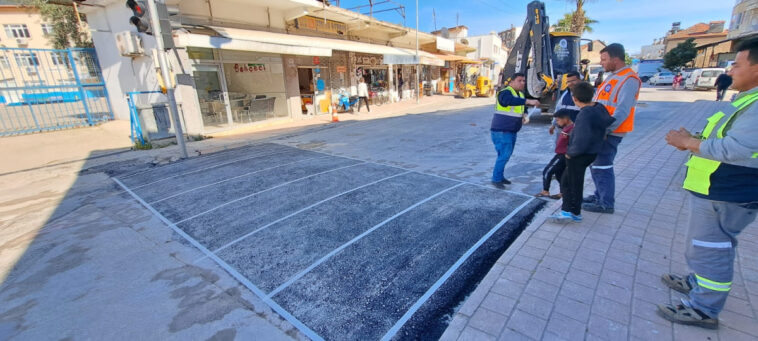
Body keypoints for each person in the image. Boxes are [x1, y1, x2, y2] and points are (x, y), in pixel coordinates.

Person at [658, 39, 758, 330]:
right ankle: (697, 282)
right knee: (708, 245)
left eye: (737, 64)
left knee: (710, 248)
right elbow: (727, 140)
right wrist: (695, 139)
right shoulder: (747, 101)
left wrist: (689, 142)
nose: (731, 70)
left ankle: (704, 309)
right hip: (720, 188)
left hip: (728, 189)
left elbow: (735, 149)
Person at [583, 43, 642, 214]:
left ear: (615, 60)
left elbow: (621, 111)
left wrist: (605, 130)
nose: (601, 63)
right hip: (602, 130)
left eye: (604, 59)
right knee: (596, 165)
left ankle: (606, 203)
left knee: (603, 166)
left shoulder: (629, 79)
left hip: (609, 132)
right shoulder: (615, 76)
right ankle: (599, 195)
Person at [549, 82, 615, 223]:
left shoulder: (584, 114)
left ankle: (568, 212)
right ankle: (575, 211)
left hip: (579, 155)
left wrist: (570, 153)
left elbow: (581, 137)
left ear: (575, 98)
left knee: (569, 184)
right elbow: (608, 122)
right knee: (573, 182)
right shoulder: (599, 108)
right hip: (592, 152)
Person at [490, 73, 541, 188]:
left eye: (524, 81)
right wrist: (528, 101)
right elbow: (507, 101)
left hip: (511, 130)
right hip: (502, 130)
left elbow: (523, 107)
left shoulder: (520, 94)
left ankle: (499, 176)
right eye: (520, 80)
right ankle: (496, 179)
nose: (522, 83)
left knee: (504, 155)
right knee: (504, 155)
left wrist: (525, 114)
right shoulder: (505, 92)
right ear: (511, 82)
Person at [536, 109, 575, 199]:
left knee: (547, 171)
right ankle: (563, 192)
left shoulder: (572, 130)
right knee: (559, 174)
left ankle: (545, 191)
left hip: (563, 155)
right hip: (562, 154)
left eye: (558, 120)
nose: (557, 122)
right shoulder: (567, 127)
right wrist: (553, 126)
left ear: (565, 119)